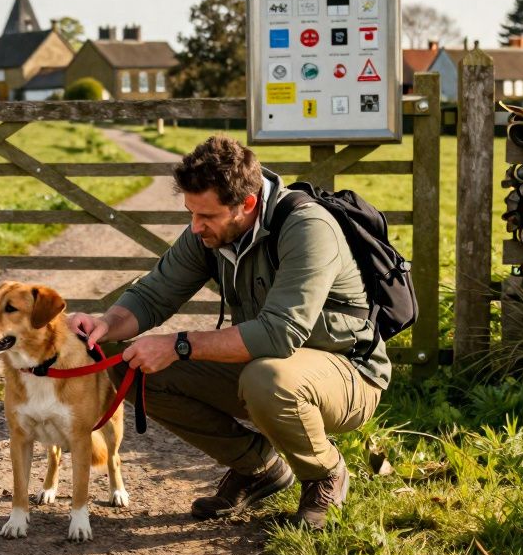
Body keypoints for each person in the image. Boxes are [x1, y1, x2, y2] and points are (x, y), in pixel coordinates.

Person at [68, 135, 389, 529]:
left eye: (206, 216)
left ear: (247, 204)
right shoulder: (213, 231)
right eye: (190, 213)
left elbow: (278, 334)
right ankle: (257, 467)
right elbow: (154, 294)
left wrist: (179, 345)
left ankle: (324, 473)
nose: (195, 226)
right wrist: (106, 325)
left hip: (348, 374)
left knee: (267, 378)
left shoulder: (308, 228)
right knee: (130, 367)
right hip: (271, 363)